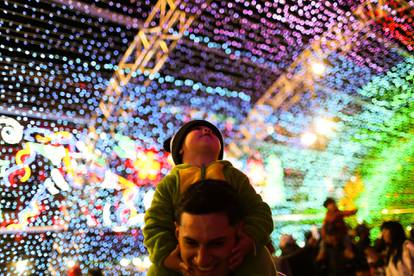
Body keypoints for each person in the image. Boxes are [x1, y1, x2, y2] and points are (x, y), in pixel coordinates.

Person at [143, 120, 274, 275]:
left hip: (235, 256)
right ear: (179, 149)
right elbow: (155, 223)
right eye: (197, 129)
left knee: (259, 260)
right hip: (185, 264)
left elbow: (259, 210)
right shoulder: (170, 183)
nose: (206, 130)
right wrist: (165, 255)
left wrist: (251, 238)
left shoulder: (234, 176)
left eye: (211, 130)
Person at [173, 179, 277, 276]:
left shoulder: (256, 264)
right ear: (177, 234)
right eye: (191, 243)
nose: (202, 260)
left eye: (217, 244)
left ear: (239, 234)